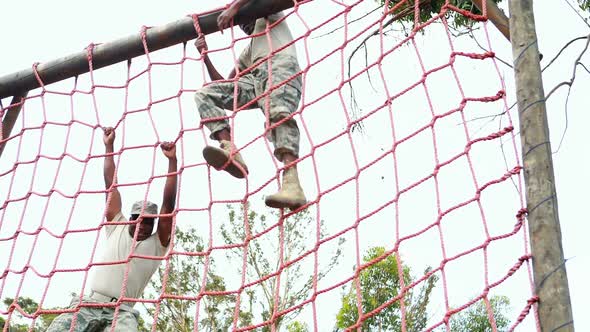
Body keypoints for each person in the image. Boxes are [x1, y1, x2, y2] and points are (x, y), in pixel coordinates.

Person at [46, 127, 178, 332]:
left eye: (148, 222)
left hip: (121, 313)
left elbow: (168, 204)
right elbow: (111, 185)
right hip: (89, 304)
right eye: (139, 220)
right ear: (131, 219)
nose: (143, 226)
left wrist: (172, 162)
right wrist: (109, 146)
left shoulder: (157, 244)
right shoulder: (117, 224)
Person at [194, 0, 307, 210]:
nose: (244, 26)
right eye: (241, 24)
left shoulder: (271, 16)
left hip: (281, 67)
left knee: (278, 114)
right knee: (206, 94)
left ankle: (292, 184)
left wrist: (234, 8)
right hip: (257, 83)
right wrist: (205, 56)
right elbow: (225, 83)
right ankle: (230, 150)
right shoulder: (249, 51)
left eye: (246, 19)